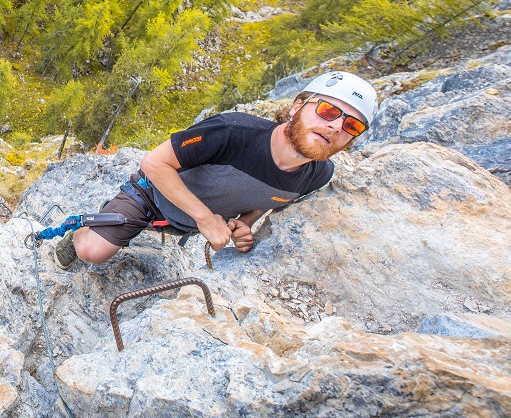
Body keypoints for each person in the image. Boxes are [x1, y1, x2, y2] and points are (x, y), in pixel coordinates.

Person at [53, 70, 378, 269]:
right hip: (151, 197)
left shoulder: (318, 175)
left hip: (190, 225)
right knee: (91, 251)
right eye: (328, 110)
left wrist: (245, 223)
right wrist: (206, 219)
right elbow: (154, 163)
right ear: (297, 107)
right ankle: (86, 230)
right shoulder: (232, 131)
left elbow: (271, 199)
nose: (336, 126)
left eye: (352, 125)